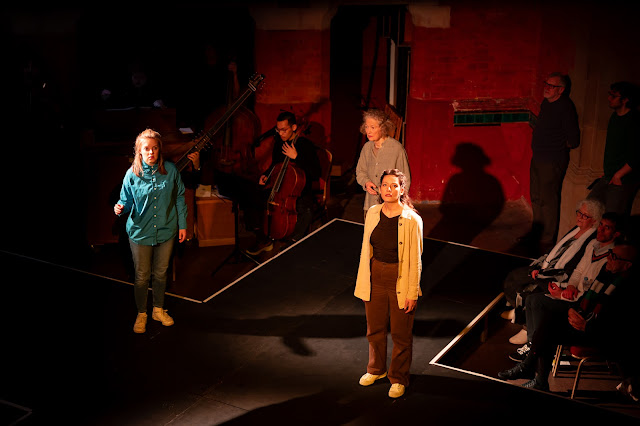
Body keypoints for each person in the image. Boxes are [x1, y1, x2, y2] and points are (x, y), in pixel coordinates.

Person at [498, 243, 637, 393]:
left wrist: (586, 326)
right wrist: (572, 310)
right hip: (585, 321)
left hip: (600, 335)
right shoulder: (606, 274)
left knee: (548, 329)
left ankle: (530, 369)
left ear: (627, 265)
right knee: (548, 321)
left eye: (614, 257)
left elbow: (618, 329)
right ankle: (536, 375)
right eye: (610, 253)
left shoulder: (626, 291)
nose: (609, 258)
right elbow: (586, 301)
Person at [508, 212, 623, 362]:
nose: (600, 230)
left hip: (580, 304)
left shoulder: (612, 257)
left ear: (616, 234)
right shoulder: (592, 245)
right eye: (601, 225)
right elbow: (578, 271)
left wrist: (562, 295)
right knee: (532, 297)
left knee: (537, 301)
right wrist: (570, 287)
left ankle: (534, 347)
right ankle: (532, 344)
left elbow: (592, 292)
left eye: (607, 228)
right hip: (573, 294)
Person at [354, 169, 424, 399]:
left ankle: (399, 377)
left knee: (401, 333)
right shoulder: (373, 213)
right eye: (385, 185)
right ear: (380, 188)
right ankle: (376, 369)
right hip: (375, 275)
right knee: (374, 329)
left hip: (400, 277)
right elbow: (366, 250)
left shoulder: (412, 220)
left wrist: (412, 292)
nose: (389, 190)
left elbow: (416, 260)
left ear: (402, 190)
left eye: (394, 186)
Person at [215, 111, 321, 255]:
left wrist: (297, 157)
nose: (281, 133)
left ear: (294, 127)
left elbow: (316, 173)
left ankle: (294, 243)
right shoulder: (279, 143)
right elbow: (275, 165)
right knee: (250, 199)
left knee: (307, 211)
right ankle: (263, 239)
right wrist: (266, 175)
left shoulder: (305, 145)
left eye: (284, 130)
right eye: (278, 130)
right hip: (279, 190)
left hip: (300, 192)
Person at [114, 128, 187, 334]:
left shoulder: (170, 171)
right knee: (142, 275)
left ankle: (157, 309)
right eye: (146, 149)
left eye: (154, 148)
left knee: (161, 273)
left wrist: (183, 224)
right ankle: (141, 313)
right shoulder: (132, 174)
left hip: (167, 229)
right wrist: (119, 208)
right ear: (139, 151)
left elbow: (180, 196)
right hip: (140, 232)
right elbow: (125, 201)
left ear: (159, 150)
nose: (151, 153)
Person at [501, 199, 603, 333]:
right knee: (513, 277)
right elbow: (557, 250)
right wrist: (540, 266)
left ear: (594, 220)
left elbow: (573, 267)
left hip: (560, 276)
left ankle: (525, 325)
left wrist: (544, 274)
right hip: (547, 268)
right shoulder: (575, 229)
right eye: (579, 213)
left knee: (534, 290)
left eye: (584, 216)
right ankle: (519, 311)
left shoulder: (592, 239)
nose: (579, 217)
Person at [522, 72, 581, 254]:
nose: (546, 88)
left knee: (548, 201)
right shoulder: (547, 103)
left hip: (552, 160)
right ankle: (536, 234)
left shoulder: (565, 107)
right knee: (537, 197)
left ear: (561, 90)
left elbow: (573, 139)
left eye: (551, 85)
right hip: (538, 156)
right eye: (545, 83)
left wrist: (555, 147)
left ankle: (546, 242)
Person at [587, 81, 640, 216]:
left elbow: (636, 156)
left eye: (614, 96)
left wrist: (618, 175)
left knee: (612, 218)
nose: (609, 98)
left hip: (623, 179)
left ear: (625, 100)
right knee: (589, 209)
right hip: (609, 175)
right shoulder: (615, 116)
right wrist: (608, 172)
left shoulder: (633, 122)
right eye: (609, 94)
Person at [356, 109, 411, 219]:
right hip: (371, 205)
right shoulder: (367, 148)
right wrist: (366, 182)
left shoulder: (396, 149)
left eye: (373, 127)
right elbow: (360, 172)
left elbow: (405, 179)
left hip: (391, 207)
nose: (368, 131)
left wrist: (399, 205)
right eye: (367, 127)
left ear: (383, 128)